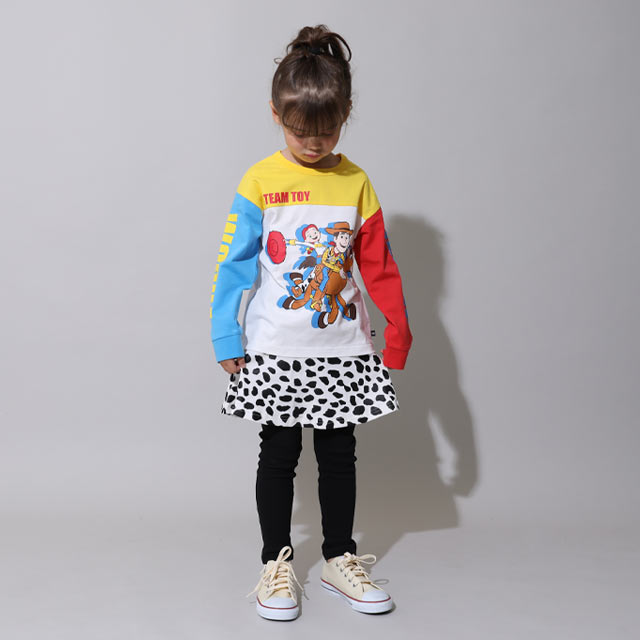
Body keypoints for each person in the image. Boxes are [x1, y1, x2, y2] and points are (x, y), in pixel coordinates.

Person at [209, 24, 413, 621]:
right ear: (277, 115)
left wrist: (398, 332)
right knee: (277, 455)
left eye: (327, 131)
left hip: (343, 348)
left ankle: (338, 559)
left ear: (345, 116)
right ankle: (275, 564)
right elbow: (234, 264)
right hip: (275, 348)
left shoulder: (356, 183)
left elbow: (379, 265)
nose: (314, 143)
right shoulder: (260, 181)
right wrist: (225, 332)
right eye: (301, 131)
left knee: (338, 455)